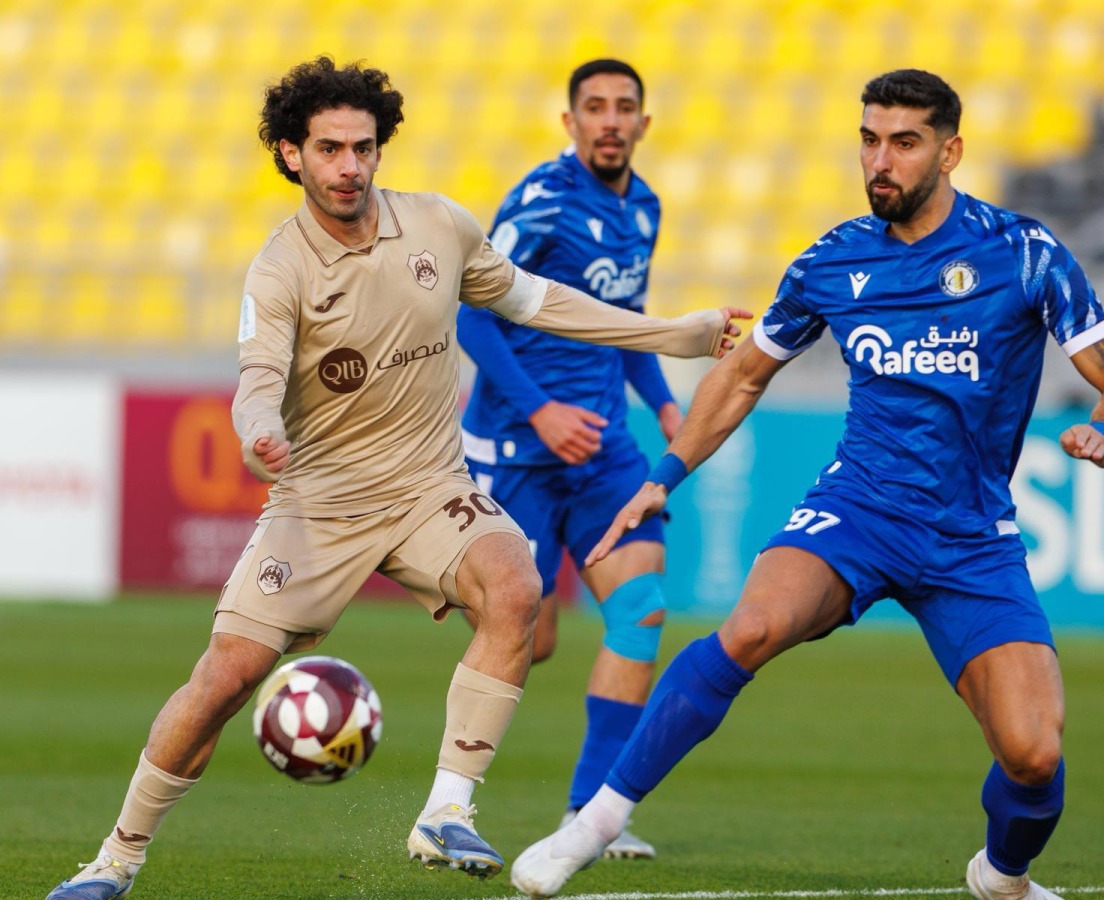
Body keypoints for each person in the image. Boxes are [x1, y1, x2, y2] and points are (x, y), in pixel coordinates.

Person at [45, 56, 749, 900]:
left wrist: (675, 334)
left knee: (515, 585)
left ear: (381, 149)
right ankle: (115, 860)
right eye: (330, 149)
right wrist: (260, 431)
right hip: (323, 503)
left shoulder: (439, 229)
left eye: (363, 148)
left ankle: (446, 810)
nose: (349, 166)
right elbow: (259, 382)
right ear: (290, 155)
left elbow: (538, 302)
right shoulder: (280, 268)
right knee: (224, 677)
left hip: (427, 487)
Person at [510, 68, 1104, 900]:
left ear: (950, 151)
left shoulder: (1022, 253)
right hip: (858, 510)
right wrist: (663, 475)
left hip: (969, 538)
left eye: (904, 142)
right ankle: (592, 823)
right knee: (750, 627)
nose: (880, 160)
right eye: (869, 139)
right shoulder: (832, 259)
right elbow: (742, 377)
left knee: (1033, 754)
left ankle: (1003, 876)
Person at [457, 58, 676, 861]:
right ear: (571, 122)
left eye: (625, 108)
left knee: (641, 606)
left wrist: (665, 405)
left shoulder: (644, 207)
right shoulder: (540, 200)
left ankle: (591, 814)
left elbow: (625, 321)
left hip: (605, 452)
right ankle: (452, 803)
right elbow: (472, 317)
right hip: (519, 448)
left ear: (643, 124)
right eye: (595, 108)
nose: (610, 120)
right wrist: (541, 412)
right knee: (530, 635)